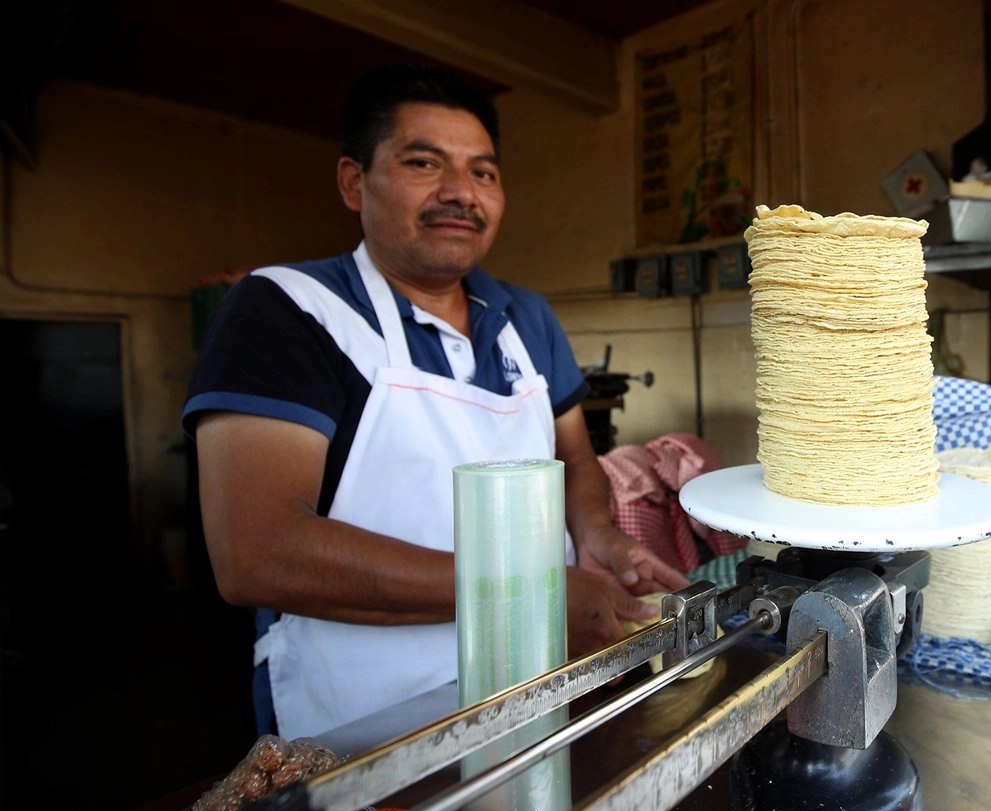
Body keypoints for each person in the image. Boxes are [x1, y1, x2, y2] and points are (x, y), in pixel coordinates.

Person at [182, 62, 690, 740]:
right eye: (424, 162)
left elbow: (575, 455)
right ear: (353, 181)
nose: (461, 192)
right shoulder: (291, 309)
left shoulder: (526, 318)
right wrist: (528, 592)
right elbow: (257, 550)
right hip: (361, 718)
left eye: (483, 172)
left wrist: (599, 535)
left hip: (539, 678)